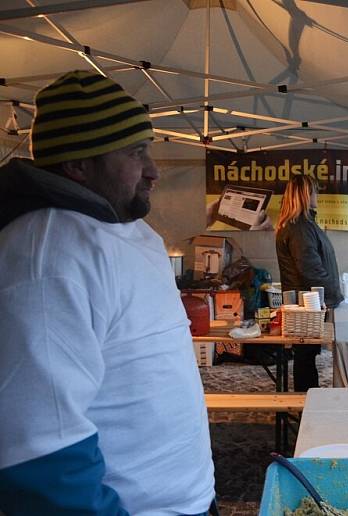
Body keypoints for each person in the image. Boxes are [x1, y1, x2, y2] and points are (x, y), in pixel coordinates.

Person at [0, 71, 215, 514]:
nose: (154, 171)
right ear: (79, 165)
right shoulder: (48, 257)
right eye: (136, 154)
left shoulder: (123, 226)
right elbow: (37, 451)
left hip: (187, 498)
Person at [275, 174, 343, 392]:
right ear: (305, 195)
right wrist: (333, 295)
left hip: (307, 302)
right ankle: (306, 404)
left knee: (307, 355)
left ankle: (307, 400)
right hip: (307, 304)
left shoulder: (303, 224)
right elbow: (311, 270)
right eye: (314, 191)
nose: (317, 195)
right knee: (305, 356)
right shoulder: (299, 228)